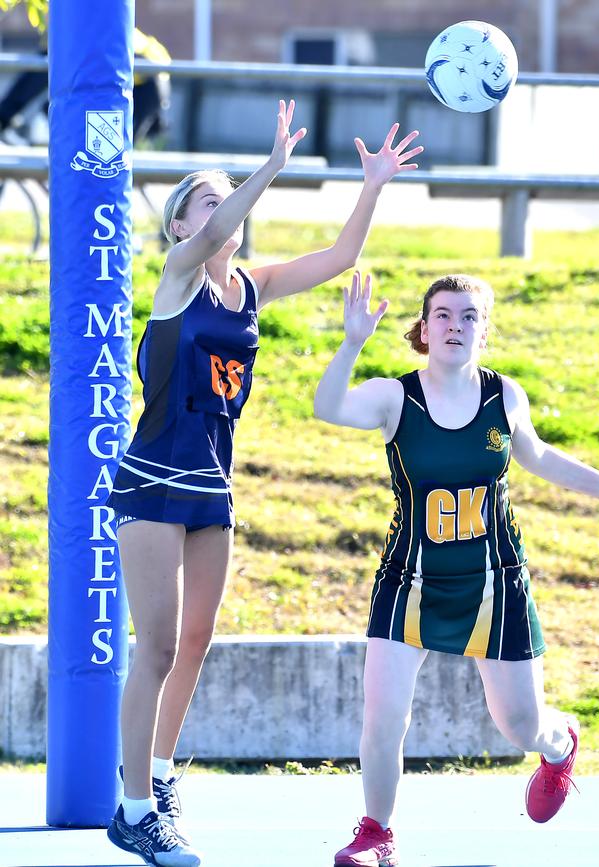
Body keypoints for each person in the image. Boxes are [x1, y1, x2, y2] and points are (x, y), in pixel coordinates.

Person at [105, 100, 423, 867]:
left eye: (226, 196)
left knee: (195, 640)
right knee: (152, 648)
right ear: (179, 226)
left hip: (212, 486)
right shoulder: (179, 276)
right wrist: (272, 166)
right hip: (153, 479)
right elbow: (215, 233)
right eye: (205, 199)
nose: (220, 210)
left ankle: (159, 775)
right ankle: (131, 808)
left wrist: (373, 184)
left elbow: (342, 255)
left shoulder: (252, 286)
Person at [313, 271, 599, 867]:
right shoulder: (396, 397)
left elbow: (540, 457)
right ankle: (376, 834)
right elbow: (328, 406)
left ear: (484, 331)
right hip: (410, 578)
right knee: (383, 716)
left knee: (519, 726)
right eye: (443, 315)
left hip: (494, 581)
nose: (455, 326)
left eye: (469, 317)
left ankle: (558, 743)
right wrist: (351, 342)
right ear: (423, 327)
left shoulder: (504, 395)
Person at [0, 29, 170, 144]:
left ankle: (6, 117)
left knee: (111, 155)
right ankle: (7, 117)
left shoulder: (76, 36)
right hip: (146, 80)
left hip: (144, 84)